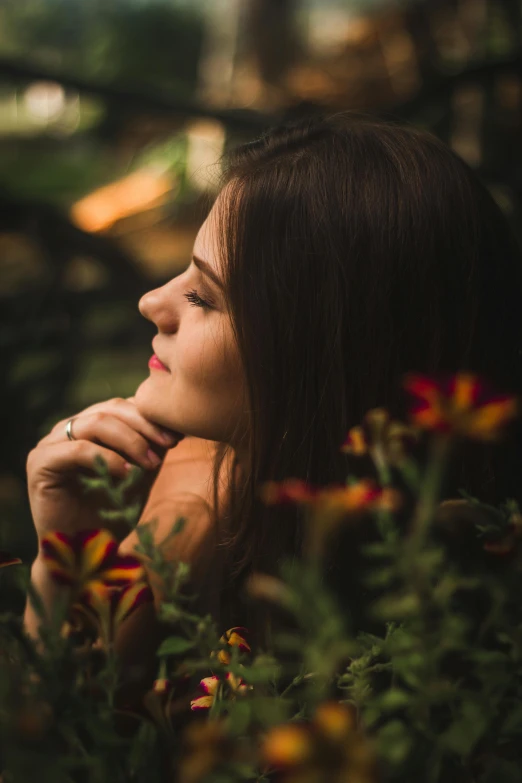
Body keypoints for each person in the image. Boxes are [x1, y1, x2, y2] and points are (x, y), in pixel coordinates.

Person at [23, 111, 522, 670]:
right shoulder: (204, 491)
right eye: (184, 274)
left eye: (203, 297)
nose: (151, 302)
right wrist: (68, 555)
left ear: (318, 353)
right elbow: (64, 726)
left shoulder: (478, 574)